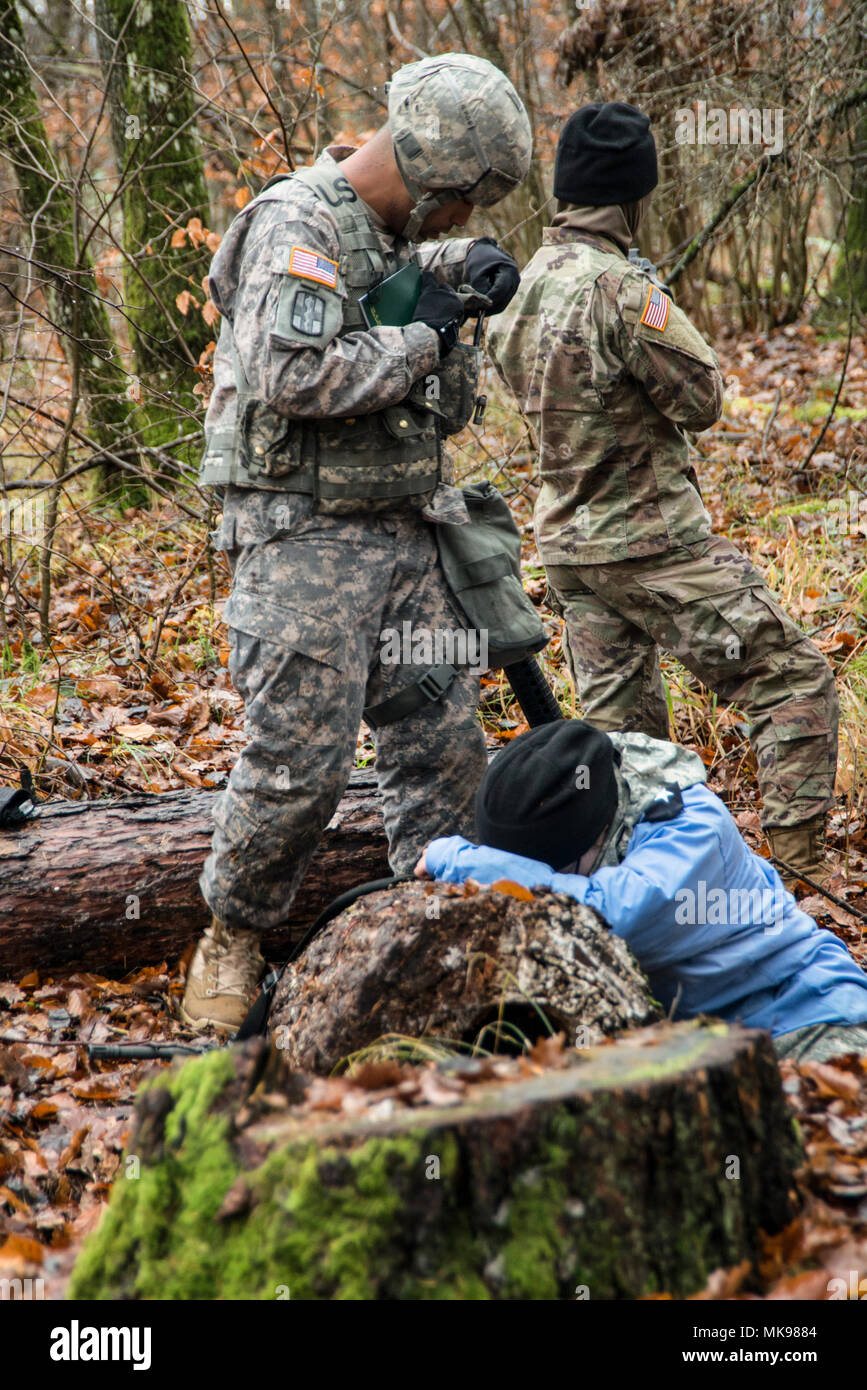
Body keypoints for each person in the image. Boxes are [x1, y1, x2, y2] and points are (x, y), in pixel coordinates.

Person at [182, 53, 532, 1031]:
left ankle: (435, 936)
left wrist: (457, 314)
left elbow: (442, 408)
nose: (464, 220)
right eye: (463, 201)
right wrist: (419, 339)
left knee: (443, 742)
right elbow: (292, 376)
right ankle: (233, 936)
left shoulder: (401, 246)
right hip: (302, 537)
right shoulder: (299, 222)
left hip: (404, 528)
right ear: (426, 169)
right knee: (300, 762)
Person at [488, 101, 839, 887]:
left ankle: (642, 891)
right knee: (792, 681)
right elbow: (703, 398)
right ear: (633, 194)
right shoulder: (617, 289)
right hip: (653, 545)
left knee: (622, 746)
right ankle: (803, 879)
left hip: (569, 551)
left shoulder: (518, 287)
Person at [415, 722, 867, 1064]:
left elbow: (608, 915)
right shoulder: (591, 785)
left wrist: (462, 861)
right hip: (692, 1048)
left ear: (600, 836)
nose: (537, 877)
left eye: (546, 870)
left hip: (810, 1023)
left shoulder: (692, 828)